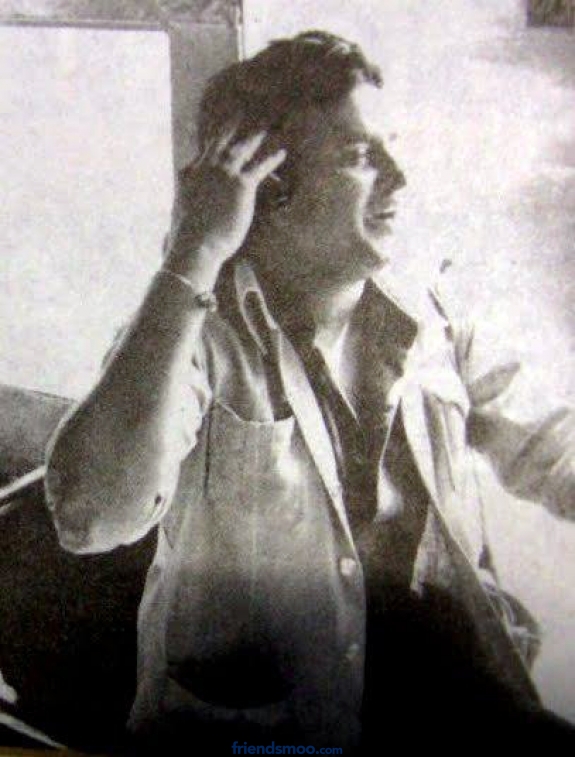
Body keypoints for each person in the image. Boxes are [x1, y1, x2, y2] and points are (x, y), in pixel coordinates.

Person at [44, 31, 575, 753]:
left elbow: (554, 450)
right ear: (271, 186)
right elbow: (91, 517)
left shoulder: (435, 309)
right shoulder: (196, 335)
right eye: (360, 156)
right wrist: (193, 251)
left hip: (442, 699)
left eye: (392, 148)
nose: (400, 177)